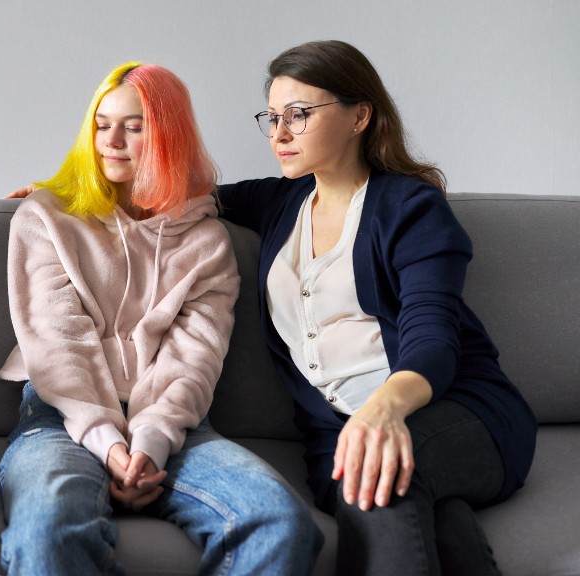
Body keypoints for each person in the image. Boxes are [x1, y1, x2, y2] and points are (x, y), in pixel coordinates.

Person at [216, 40, 537, 575]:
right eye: (271, 118)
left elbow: (432, 335)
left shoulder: (411, 209)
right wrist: (69, 195)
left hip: (454, 412)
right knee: (426, 509)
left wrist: (384, 411)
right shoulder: (278, 202)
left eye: (298, 115)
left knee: (379, 483)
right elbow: (179, 193)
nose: (279, 134)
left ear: (359, 115)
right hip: (334, 439)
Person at [0, 61, 322, 576]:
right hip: (61, 416)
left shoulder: (207, 241)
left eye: (135, 125)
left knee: (280, 521)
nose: (112, 141)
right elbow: (59, 345)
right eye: (103, 125)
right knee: (47, 528)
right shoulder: (46, 218)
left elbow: (193, 357)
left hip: (176, 424)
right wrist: (107, 443)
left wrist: (149, 443)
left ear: (168, 134)